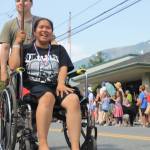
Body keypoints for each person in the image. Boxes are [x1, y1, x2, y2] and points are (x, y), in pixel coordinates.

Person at [9, 18, 81, 150]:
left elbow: (63, 67)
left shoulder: (58, 49)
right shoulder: (25, 49)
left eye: (48, 28)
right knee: (48, 96)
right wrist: (17, 42)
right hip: (32, 87)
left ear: (52, 32)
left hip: (56, 86)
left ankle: (75, 146)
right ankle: (43, 144)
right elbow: (13, 66)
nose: (44, 30)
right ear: (34, 32)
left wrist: (60, 83)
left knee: (73, 99)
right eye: (41, 27)